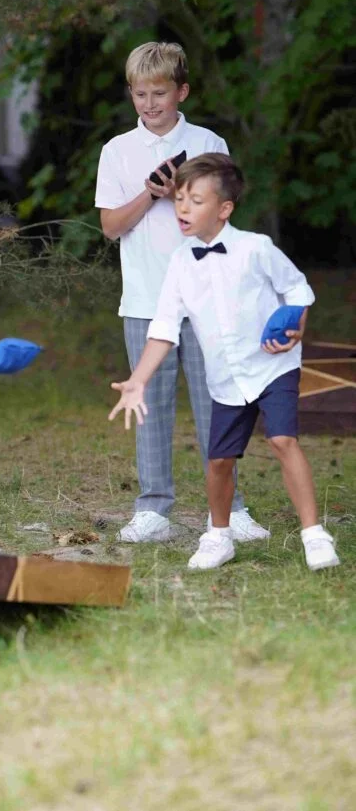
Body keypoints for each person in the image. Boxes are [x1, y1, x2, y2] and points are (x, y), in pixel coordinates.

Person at [108, 153, 340, 572]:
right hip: (226, 378)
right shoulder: (180, 263)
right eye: (180, 199)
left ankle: (314, 535)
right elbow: (163, 326)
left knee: (282, 440)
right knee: (218, 461)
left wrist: (296, 327)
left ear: (224, 208)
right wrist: (138, 379)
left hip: (273, 367)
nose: (183, 208)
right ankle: (219, 536)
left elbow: (298, 289)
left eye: (196, 200)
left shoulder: (256, 248)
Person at [95, 41, 267, 544]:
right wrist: (150, 194)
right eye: (140, 94)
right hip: (147, 302)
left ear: (181, 91)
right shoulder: (117, 151)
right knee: (147, 403)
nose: (149, 104)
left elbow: (220, 218)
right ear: (131, 95)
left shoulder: (210, 143)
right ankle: (153, 509)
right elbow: (109, 227)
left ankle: (231, 508)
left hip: (209, 299)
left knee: (219, 405)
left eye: (160, 93)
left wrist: (184, 195)